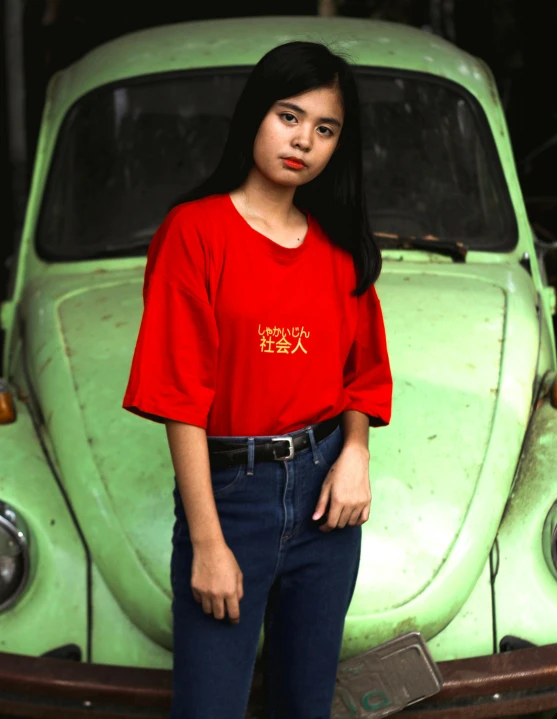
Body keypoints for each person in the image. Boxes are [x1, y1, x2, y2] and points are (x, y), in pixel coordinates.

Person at [122, 40, 392, 719]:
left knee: (306, 705)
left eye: (324, 129)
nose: (303, 140)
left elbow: (361, 373)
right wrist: (208, 543)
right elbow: (179, 396)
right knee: (209, 706)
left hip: (325, 501)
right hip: (231, 495)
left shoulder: (337, 244)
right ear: (254, 117)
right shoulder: (195, 231)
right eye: (288, 115)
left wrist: (355, 450)